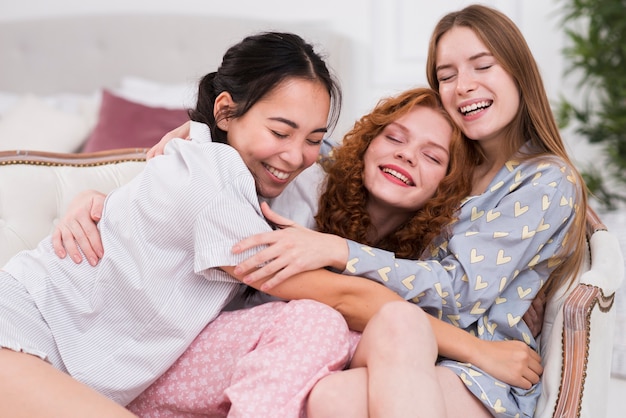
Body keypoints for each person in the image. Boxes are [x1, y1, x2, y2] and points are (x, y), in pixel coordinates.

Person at [54, 87, 543, 418]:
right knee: (324, 318)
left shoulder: (431, 253)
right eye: (393, 138)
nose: (406, 156)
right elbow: (208, 169)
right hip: (196, 357)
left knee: (390, 334)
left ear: (448, 185)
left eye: (433, 157)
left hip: (311, 370)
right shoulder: (297, 183)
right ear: (365, 144)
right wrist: (99, 200)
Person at [226, 4, 589, 418]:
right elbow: (347, 155)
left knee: (346, 384)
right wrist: (215, 133)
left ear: (518, 72)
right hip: (414, 347)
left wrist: (338, 251)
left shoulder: (544, 179)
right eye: (447, 75)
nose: (463, 86)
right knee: (329, 392)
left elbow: (459, 294)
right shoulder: (458, 162)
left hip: (481, 373)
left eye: (482, 66)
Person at [0, 31, 346, 418]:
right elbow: (342, 297)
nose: (296, 156)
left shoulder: (263, 182)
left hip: (65, 360)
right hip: (17, 327)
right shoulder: (211, 180)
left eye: (314, 139)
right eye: (280, 132)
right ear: (226, 112)